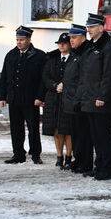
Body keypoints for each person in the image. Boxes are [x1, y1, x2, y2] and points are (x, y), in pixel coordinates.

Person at [79, 13, 111, 181]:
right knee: (96, 137)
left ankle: (107, 170)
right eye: (88, 27)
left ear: (101, 28)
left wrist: (102, 96)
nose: (88, 30)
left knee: (104, 137)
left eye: (91, 27)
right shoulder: (92, 47)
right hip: (90, 98)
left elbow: (109, 76)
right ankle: (99, 167)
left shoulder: (109, 48)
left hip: (101, 100)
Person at [0, 25, 46, 164]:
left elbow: (42, 80)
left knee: (33, 128)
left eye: (22, 40)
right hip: (14, 98)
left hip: (31, 99)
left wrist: (40, 97)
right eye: (17, 39)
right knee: (16, 128)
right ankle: (18, 154)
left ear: (29, 40)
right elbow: (4, 76)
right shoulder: (11, 55)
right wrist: (2, 96)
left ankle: (35, 154)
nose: (19, 42)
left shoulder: (39, 56)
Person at [61, 24, 94, 175]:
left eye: (74, 37)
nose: (71, 41)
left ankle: (85, 163)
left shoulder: (85, 54)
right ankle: (78, 160)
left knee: (83, 135)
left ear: (82, 38)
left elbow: (83, 80)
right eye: (70, 38)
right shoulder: (75, 54)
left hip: (80, 101)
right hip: (71, 101)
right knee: (75, 134)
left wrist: (78, 99)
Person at [39, 33, 73, 168]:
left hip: (68, 97)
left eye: (64, 43)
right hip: (54, 97)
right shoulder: (52, 60)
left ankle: (69, 156)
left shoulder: (75, 58)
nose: (61, 45)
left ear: (70, 44)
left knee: (68, 129)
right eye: (59, 43)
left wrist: (66, 86)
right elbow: (45, 77)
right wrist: (54, 86)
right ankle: (59, 156)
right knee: (56, 129)